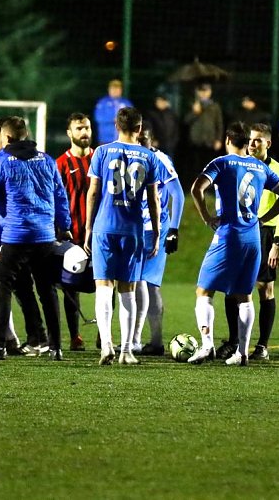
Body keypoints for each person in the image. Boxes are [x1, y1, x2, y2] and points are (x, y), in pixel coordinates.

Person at [187, 121, 279, 367]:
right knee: (244, 295)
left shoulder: (221, 163)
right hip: (253, 238)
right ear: (248, 142)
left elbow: (196, 188)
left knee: (204, 291)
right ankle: (242, 353)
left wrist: (205, 217)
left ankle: (206, 345)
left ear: (227, 140)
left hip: (228, 235)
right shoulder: (260, 167)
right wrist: (263, 218)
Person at [0, 116, 72, 361]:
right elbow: (60, 196)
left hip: (16, 235)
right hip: (45, 236)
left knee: (2, 285)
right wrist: (65, 225)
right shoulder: (47, 160)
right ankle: (56, 346)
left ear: (6, 138)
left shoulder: (4, 162)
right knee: (47, 290)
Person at [85, 106, 161, 366]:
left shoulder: (102, 152)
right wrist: (158, 232)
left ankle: (106, 345)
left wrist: (87, 228)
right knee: (128, 290)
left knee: (103, 287)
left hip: (104, 226)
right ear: (139, 129)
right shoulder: (149, 156)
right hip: (133, 229)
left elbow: (93, 192)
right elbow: (153, 198)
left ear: (116, 126)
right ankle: (126, 351)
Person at [0, 117, 45, 356]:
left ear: (5, 138)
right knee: (27, 287)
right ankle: (38, 338)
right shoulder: (41, 159)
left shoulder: (3, 163)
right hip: (35, 231)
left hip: (10, 234)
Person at [132, 122, 185, 355]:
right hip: (130, 228)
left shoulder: (160, 160)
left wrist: (173, 229)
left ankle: (149, 340)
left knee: (148, 284)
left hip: (154, 229)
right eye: (137, 139)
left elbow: (178, 194)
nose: (140, 144)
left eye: (144, 140)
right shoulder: (127, 156)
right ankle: (143, 340)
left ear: (151, 141)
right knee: (130, 283)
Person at [55, 112, 94, 351]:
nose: (84, 132)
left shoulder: (100, 159)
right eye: (79, 128)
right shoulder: (61, 164)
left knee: (105, 283)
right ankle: (74, 336)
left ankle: (104, 333)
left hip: (99, 234)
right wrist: (60, 228)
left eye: (87, 128)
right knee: (70, 286)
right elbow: (55, 199)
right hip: (71, 236)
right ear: (69, 133)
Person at [183, 83, 223, 183]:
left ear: (210, 92)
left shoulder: (215, 106)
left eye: (206, 91)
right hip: (195, 140)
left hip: (210, 140)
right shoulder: (192, 104)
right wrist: (194, 112)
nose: (204, 93)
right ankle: (195, 186)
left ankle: (208, 187)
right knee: (195, 165)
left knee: (209, 165)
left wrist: (218, 139)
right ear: (197, 92)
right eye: (201, 91)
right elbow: (185, 121)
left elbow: (219, 124)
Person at [93, 79, 134, 145]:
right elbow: (98, 117)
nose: (115, 91)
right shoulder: (103, 102)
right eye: (113, 88)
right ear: (109, 89)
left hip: (123, 139)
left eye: (117, 88)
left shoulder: (126, 103)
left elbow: (132, 117)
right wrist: (113, 119)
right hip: (106, 139)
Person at [145, 92, 180, 158]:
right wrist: (152, 140)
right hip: (157, 145)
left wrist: (174, 142)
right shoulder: (151, 113)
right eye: (157, 101)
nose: (159, 103)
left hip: (169, 145)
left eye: (161, 101)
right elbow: (149, 128)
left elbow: (176, 129)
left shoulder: (172, 114)